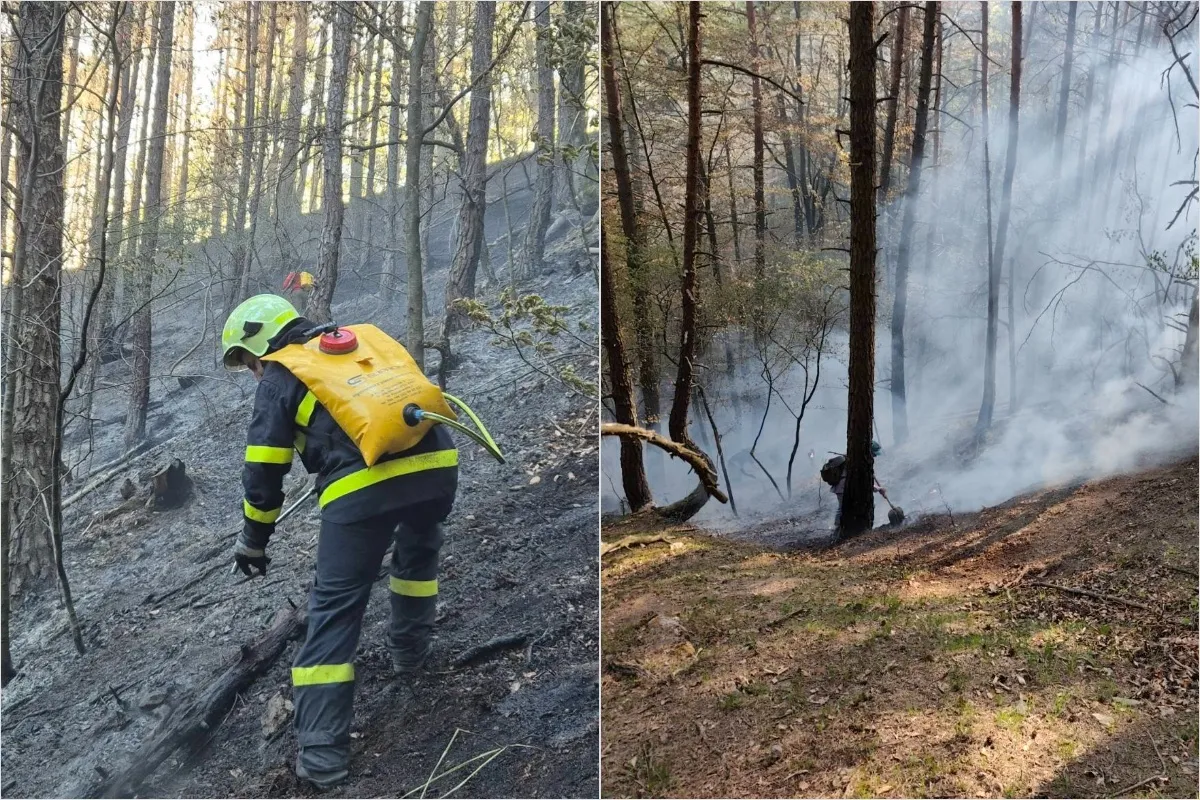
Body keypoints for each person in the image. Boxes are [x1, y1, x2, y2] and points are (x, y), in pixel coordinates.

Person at [221, 294, 458, 789]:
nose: (251, 374)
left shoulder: (283, 373)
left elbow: (263, 471)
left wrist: (253, 541)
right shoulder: (359, 344)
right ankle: (411, 657)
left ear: (258, 347)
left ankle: (323, 759)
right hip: (437, 469)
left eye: (247, 364)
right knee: (417, 560)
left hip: (362, 491)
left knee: (334, 610)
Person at [825, 440, 888, 531]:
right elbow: (863, 482)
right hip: (843, 488)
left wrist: (878, 489)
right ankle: (838, 528)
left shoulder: (859, 459)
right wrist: (878, 489)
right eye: (874, 454)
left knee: (844, 508)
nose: (874, 456)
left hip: (844, 488)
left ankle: (842, 527)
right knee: (844, 508)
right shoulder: (858, 462)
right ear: (869, 451)